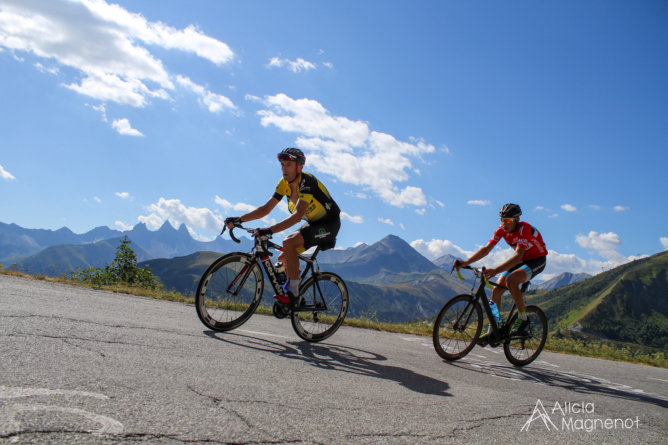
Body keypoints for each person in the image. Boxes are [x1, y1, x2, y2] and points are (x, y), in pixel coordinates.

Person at [224, 148, 341, 306]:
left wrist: (269, 230)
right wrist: (239, 219)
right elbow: (265, 209)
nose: (284, 169)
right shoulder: (284, 184)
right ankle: (295, 286)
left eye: (289, 165)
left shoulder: (307, 182)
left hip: (329, 224)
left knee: (289, 242)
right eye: (282, 164)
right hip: (313, 222)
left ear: (299, 167)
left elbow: (298, 215)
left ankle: (293, 293)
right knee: (283, 257)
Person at [456, 203, 547, 346]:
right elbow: (486, 249)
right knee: (497, 289)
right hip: (522, 260)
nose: (504, 224)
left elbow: (517, 257)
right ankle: (493, 330)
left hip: (537, 260)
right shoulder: (502, 229)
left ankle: (523, 319)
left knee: (511, 280)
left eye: (508, 220)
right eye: (502, 220)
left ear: (517, 219)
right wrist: (466, 262)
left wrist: (495, 270)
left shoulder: (524, 229)